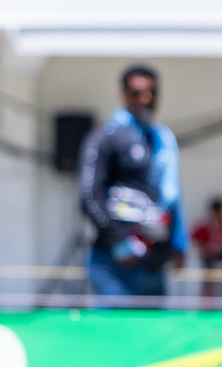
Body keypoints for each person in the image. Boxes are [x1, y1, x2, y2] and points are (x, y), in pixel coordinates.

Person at [78, 65, 187, 299]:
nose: (146, 99)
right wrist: (121, 242)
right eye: (137, 92)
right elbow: (89, 196)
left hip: (153, 263)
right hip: (115, 263)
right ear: (124, 95)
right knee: (115, 334)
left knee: (154, 334)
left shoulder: (161, 139)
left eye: (152, 92)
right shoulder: (107, 137)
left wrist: (178, 243)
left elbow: (171, 196)